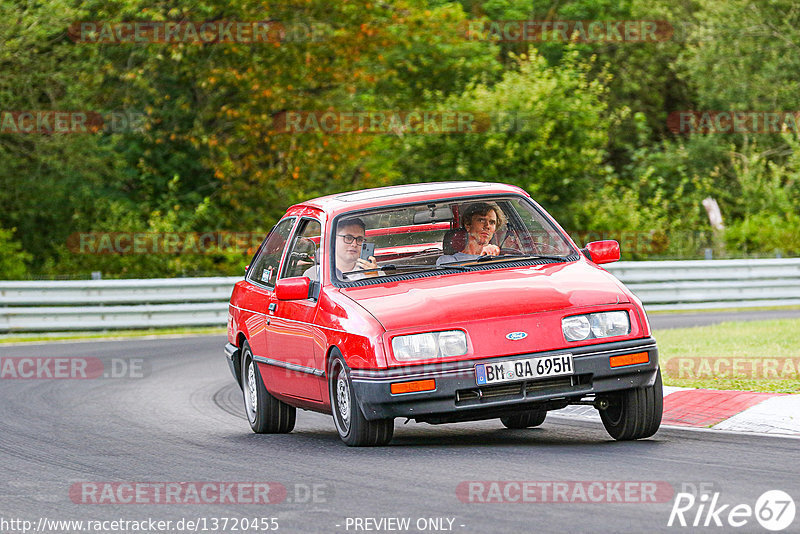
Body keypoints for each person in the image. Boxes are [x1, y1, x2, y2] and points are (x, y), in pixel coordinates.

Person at [304, 217, 379, 281]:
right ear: (333, 240)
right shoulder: (315, 274)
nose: (354, 244)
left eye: (359, 239)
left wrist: (374, 278)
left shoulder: (374, 271)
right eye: (348, 238)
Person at [437, 202, 506, 265]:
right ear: (468, 224)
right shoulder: (448, 260)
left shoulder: (505, 258)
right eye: (481, 220)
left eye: (492, 222)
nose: (487, 226)